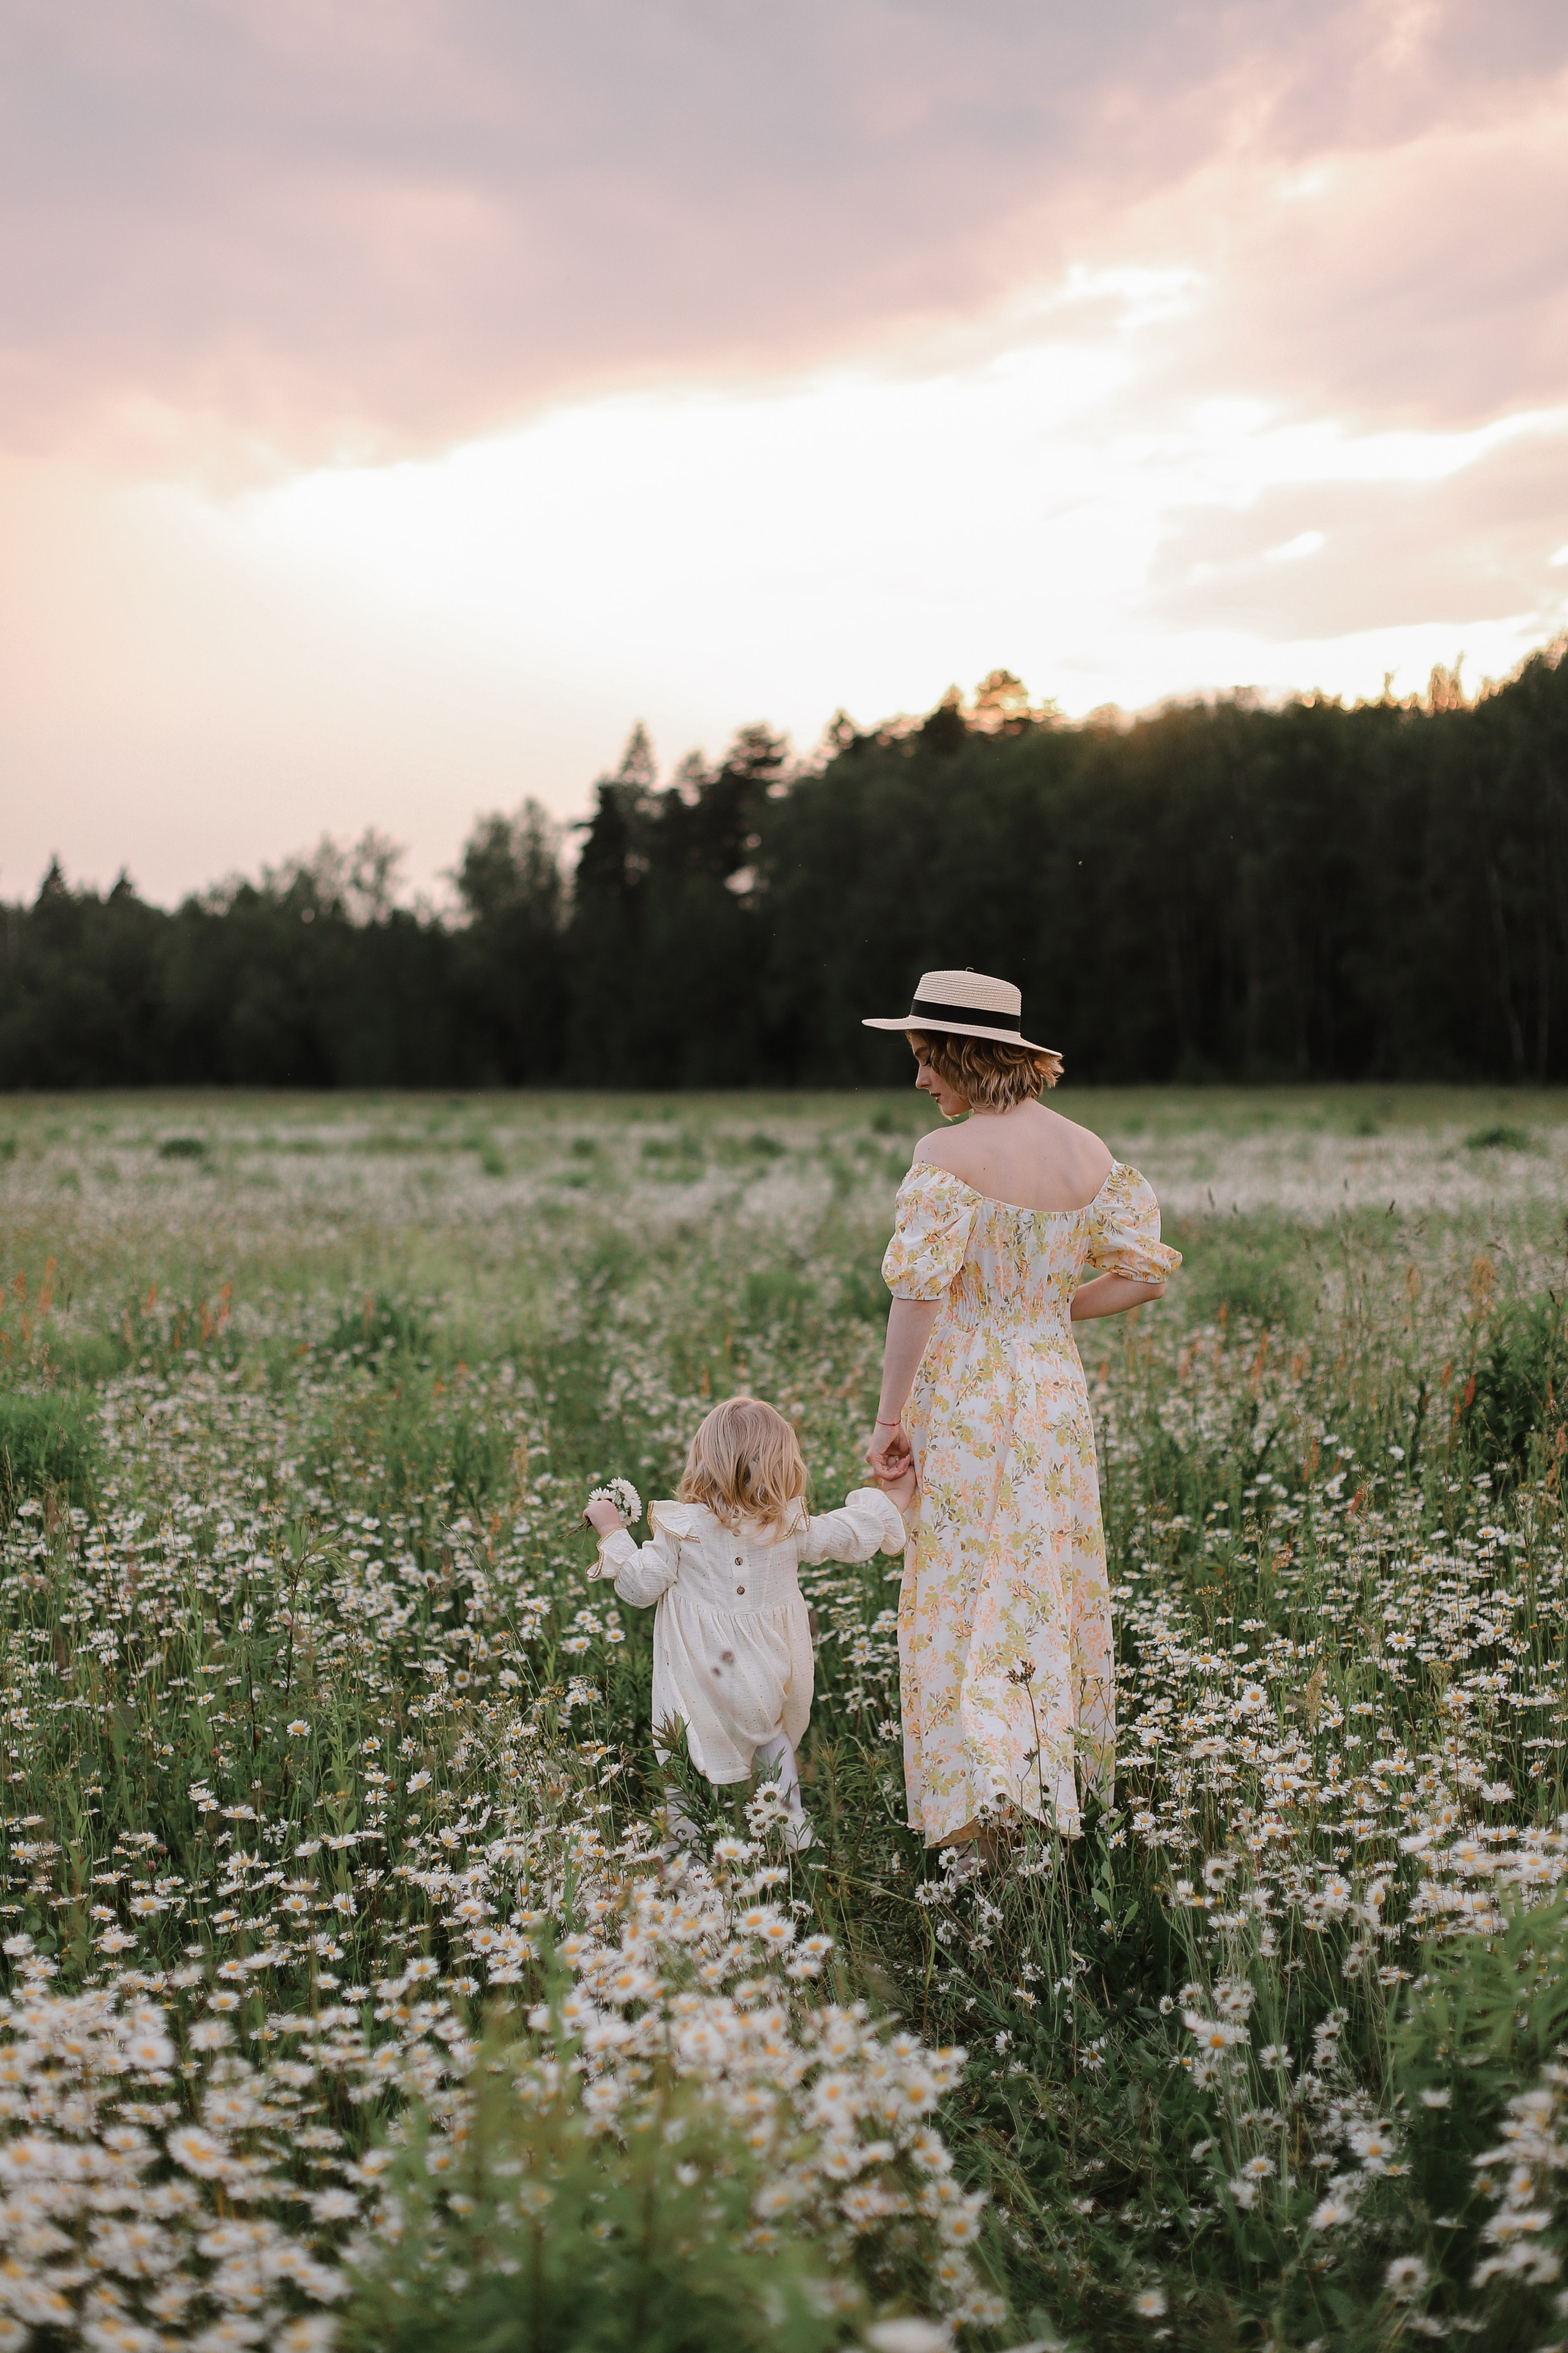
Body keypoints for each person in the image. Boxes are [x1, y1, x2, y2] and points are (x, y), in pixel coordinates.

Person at [862, 967, 1179, 1862]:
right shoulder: (1090, 1154)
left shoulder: (945, 1157)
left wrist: (890, 1417)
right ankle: (1042, 1800)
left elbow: (918, 1298)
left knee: (966, 1587)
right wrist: (1047, 1310)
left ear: (967, 1054)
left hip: (968, 1394)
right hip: (1052, 1397)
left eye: (928, 1059)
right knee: (1044, 1577)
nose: (921, 1080)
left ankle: (979, 1821)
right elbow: (1145, 1274)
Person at [584, 1394, 916, 1850]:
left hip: (697, 1681)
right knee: (771, 1740)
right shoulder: (786, 1525)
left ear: (703, 1461)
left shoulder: (682, 1528)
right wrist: (892, 1499)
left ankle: (689, 1857)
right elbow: (849, 1533)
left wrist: (611, 1532)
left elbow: (639, 1587)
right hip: (764, 1674)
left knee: (685, 1759)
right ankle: (792, 1829)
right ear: (783, 1464)